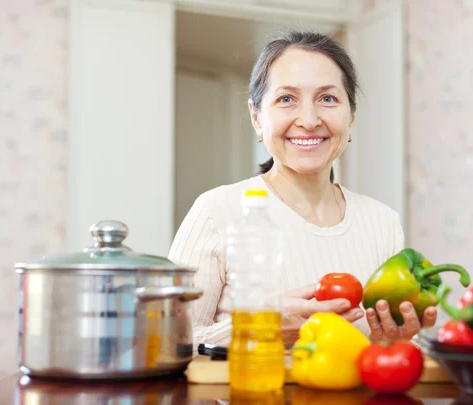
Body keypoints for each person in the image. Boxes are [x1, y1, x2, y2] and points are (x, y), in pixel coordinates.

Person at [168, 30, 437, 348]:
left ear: (351, 118)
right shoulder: (216, 210)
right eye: (286, 99)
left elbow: (389, 356)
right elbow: (167, 345)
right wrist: (260, 327)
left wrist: (398, 340)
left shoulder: (383, 222)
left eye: (327, 99)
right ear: (256, 117)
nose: (309, 120)